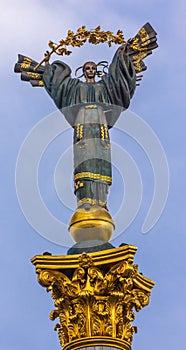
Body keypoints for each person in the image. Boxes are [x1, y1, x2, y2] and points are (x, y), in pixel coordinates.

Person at [42, 45, 136, 211]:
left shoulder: (104, 88)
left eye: (93, 68)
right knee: (84, 160)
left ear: (96, 71)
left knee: (101, 161)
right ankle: (84, 199)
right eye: (87, 68)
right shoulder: (76, 87)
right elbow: (58, 84)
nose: (90, 71)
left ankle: (101, 201)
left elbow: (120, 81)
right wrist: (49, 68)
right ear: (83, 71)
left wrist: (124, 56)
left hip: (100, 127)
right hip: (83, 125)